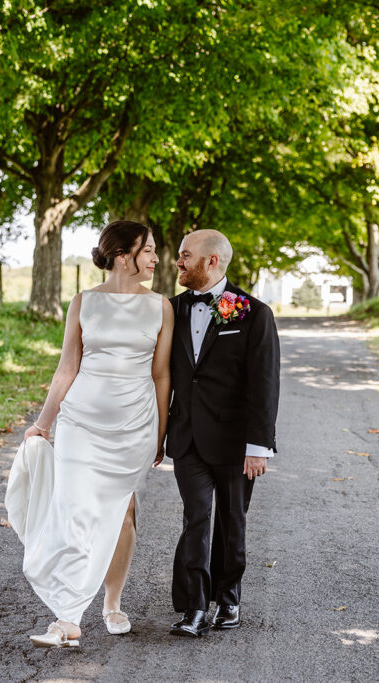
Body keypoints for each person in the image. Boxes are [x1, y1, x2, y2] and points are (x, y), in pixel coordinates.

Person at [4, 220, 174, 648]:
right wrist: (43, 424)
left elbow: (161, 375)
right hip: (80, 423)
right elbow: (67, 369)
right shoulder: (83, 303)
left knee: (122, 513)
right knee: (75, 508)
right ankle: (68, 616)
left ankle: (112, 603)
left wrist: (160, 434)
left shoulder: (161, 307)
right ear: (123, 256)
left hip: (134, 424)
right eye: (149, 250)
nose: (156, 258)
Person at [166, 229, 280, 637]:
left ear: (211, 261)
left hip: (237, 442)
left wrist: (259, 445)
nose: (178, 261)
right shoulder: (170, 310)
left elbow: (264, 384)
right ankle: (193, 607)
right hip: (187, 437)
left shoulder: (252, 312)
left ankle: (228, 598)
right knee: (195, 519)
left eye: (185, 255)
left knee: (232, 522)